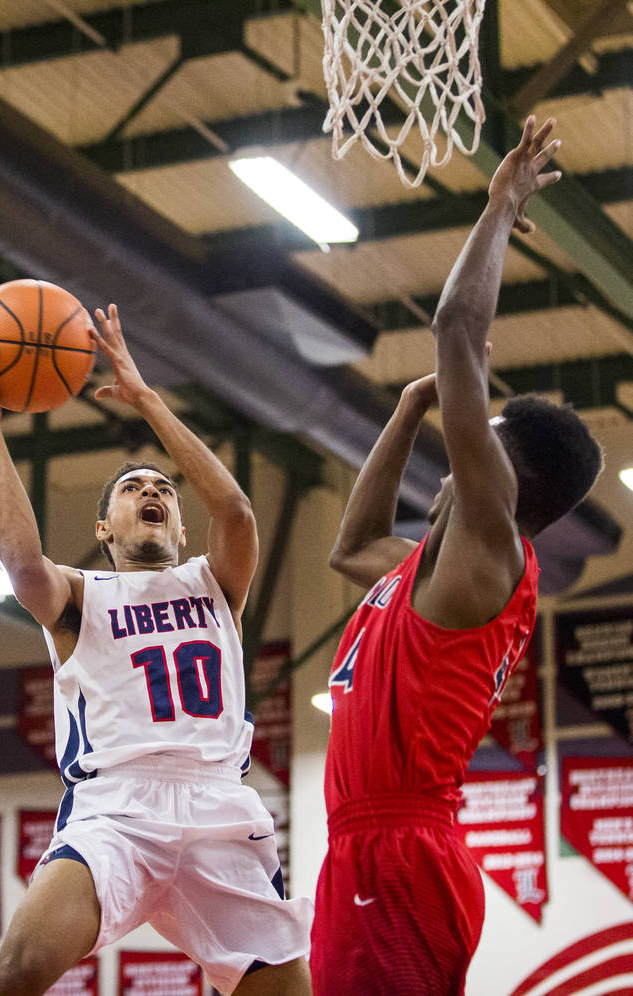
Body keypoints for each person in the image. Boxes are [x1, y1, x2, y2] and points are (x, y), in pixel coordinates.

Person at [309, 116, 603, 995]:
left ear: (504, 473)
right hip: (370, 849)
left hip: (398, 855)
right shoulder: (431, 574)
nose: (457, 443)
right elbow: (350, 547)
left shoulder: (489, 541)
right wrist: (405, 407)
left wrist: (500, 206)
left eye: (481, 433)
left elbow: (455, 326)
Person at [0, 304, 313, 995]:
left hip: (218, 808)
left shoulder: (215, 582)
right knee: (17, 975)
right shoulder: (79, 594)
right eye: (131, 488)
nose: (151, 490)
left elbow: (236, 512)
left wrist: (147, 399)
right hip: (116, 809)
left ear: (179, 524)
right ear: (104, 526)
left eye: (164, 490)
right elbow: (21, 560)